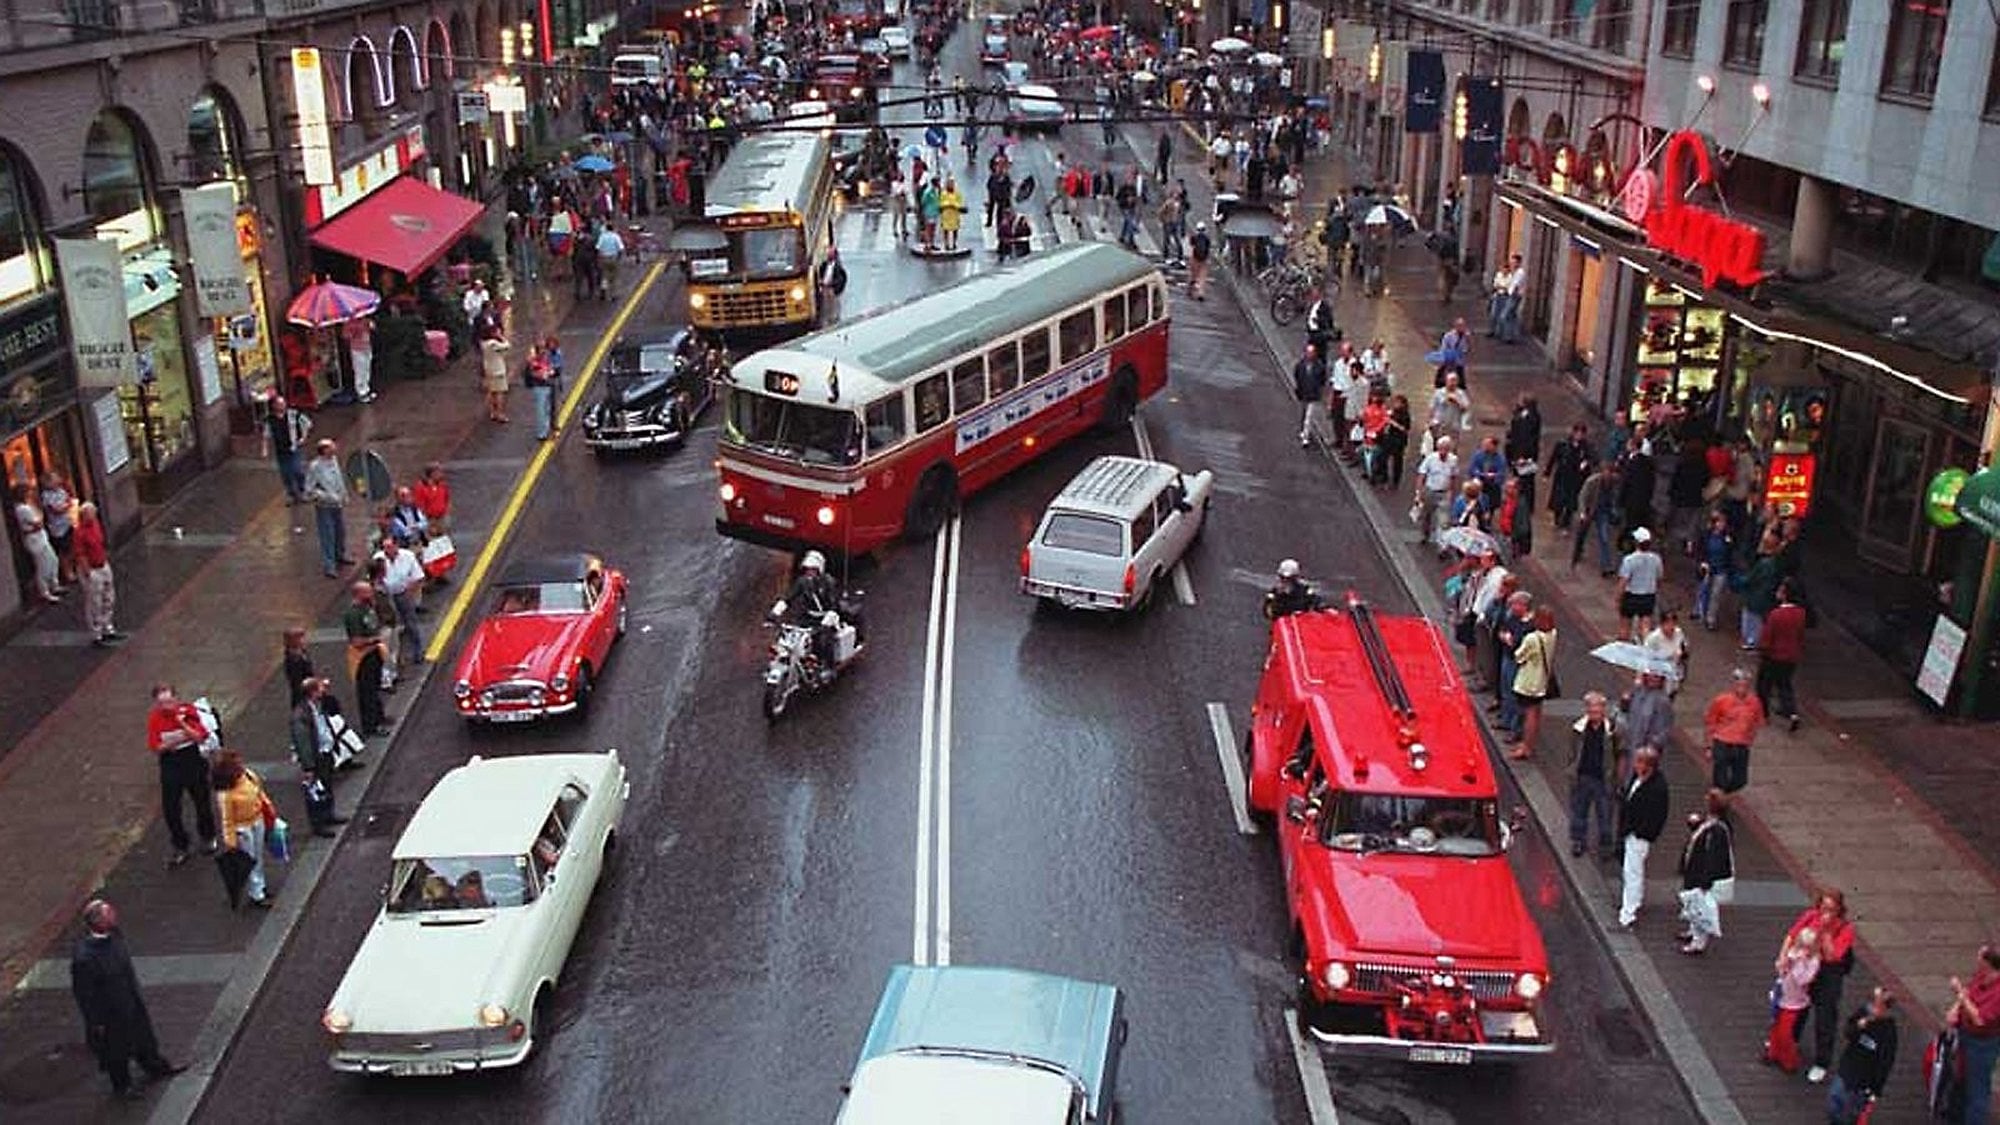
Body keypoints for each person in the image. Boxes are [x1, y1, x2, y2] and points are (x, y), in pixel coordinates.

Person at [70, 900, 185, 1100]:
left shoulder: (114, 935)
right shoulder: (84, 958)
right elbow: (85, 994)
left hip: (130, 1000)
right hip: (110, 1014)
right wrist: (96, 1022)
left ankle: (155, 1067)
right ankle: (122, 1086)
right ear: (98, 922)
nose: (115, 916)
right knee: (117, 1051)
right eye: (109, 914)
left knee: (144, 1039)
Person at [1780, 888, 1860, 1084]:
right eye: (1824, 907)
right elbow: (1792, 935)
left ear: (1839, 910)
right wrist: (1783, 957)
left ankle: (1822, 1062)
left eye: (1831, 909)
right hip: (1805, 967)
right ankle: (1790, 1041)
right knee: (1797, 1007)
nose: (1826, 913)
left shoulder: (1846, 929)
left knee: (1825, 1018)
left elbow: (1833, 956)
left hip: (1827, 973)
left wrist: (1825, 932)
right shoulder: (1810, 916)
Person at [147, 684, 216, 866]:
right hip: (171, 763)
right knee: (171, 808)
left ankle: (208, 836)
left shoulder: (188, 712)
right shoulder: (154, 719)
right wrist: (178, 740)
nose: (166, 707)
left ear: (176, 699)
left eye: (169, 702)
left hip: (192, 760)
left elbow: (199, 736)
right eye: (162, 703)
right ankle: (180, 844)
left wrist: (181, 725)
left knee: (202, 801)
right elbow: (155, 747)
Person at [1826, 987, 1899, 1125]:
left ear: (1885, 1009)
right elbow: (1847, 1032)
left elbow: (1885, 1063)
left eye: (1876, 1004)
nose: (1870, 1007)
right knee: (1834, 1101)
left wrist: (1875, 1090)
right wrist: (1858, 1027)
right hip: (1847, 1069)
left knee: (1849, 1112)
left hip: (1863, 1081)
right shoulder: (1863, 1013)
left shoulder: (1888, 1033)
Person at [212, 751, 274, 909]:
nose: (241, 765)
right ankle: (256, 893)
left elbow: (259, 793)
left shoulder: (248, 775)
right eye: (236, 764)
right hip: (242, 828)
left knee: (258, 856)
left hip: (257, 820)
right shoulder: (225, 793)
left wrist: (269, 810)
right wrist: (230, 842)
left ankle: (260, 886)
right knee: (250, 859)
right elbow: (227, 819)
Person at [1946, 945, 2000, 1125]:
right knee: (1960, 1078)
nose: (1976, 959)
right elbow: (1969, 992)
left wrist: (1959, 993)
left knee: (1978, 1089)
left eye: (1980, 956)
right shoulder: (1981, 975)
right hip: (1965, 1034)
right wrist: (1955, 1009)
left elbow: (1980, 1019)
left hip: (1982, 1045)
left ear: (1987, 963)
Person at [1616, 745, 1669, 927]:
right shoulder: (1638, 778)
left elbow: (1658, 815)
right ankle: (1635, 901)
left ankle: (1628, 912)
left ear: (1649, 765)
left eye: (1639, 762)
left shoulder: (1657, 788)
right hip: (1631, 831)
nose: (1635, 765)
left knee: (1632, 872)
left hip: (1639, 836)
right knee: (1632, 870)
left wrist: (1641, 832)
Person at [1677, 788, 1735, 954]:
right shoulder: (1711, 823)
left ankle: (1698, 942)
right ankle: (1692, 931)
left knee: (1700, 908)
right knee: (1693, 904)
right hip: (1695, 871)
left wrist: (1706, 880)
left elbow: (1713, 857)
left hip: (1701, 874)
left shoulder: (1717, 830)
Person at [1566, 691, 1621, 856]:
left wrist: (1616, 777)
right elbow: (1572, 752)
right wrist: (1571, 770)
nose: (1594, 712)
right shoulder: (1578, 729)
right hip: (1582, 776)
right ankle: (1578, 841)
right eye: (1591, 708)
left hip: (1603, 779)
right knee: (1579, 812)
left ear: (1603, 709)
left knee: (1605, 815)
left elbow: (1619, 753)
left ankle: (1605, 845)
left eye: (1597, 708)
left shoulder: (1613, 731)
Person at [776, 550, 847, 678]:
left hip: (826, 617)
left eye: (813, 569)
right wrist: (776, 612)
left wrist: (827, 620)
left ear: (819, 569)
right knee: (791, 635)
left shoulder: (829, 582)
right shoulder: (802, 582)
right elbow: (789, 597)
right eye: (807, 569)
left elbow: (834, 604)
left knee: (825, 639)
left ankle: (829, 667)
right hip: (808, 616)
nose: (809, 572)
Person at [1767, 926, 1824, 1073]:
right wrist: (1784, 962)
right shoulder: (1793, 952)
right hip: (1781, 996)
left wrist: (1799, 963)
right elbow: (1780, 968)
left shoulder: (1813, 962)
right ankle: (1773, 1054)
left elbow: (1802, 980)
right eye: (1802, 945)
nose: (1803, 949)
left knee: (1785, 1033)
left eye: (1807, 947)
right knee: (1775, 1027)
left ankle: (1789, 1061)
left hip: (1794, 1002)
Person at [1704, 668, 1765, 792]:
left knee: (1740, 780)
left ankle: (1725, 795)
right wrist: (1709, 747)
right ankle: (1718, 797)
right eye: (1739, 684)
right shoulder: (1721, 700)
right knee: (1720, 779)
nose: (1742, 688)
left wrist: (1750, 738)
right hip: (1722, 743)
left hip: (1741, 745)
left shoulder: (1755, 702)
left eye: (1745, 684)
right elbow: (1711, 723)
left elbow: (1757, 722)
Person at [70, 501, 122, 646]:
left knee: (108, 597)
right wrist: (87, 572)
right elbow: (80, 553)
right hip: (92, 569)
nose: (94, 515)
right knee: (94, 601)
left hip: (102, 564)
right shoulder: (79, 532)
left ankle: (108, 627)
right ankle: (96, 633)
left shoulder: (95, 524)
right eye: (91, 513)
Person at [1759, 580, 1807, 732]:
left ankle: (1764, 714)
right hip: (1791, 656)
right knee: (1785, 685)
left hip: (1773, 655)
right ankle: (1792, 713)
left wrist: (1763, 650)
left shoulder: (1776, 614)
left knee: (1764, 686)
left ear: (1785, 594)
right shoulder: (1801, 613)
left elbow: (1768, 636)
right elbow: (1800, 635)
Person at [343, 581, 391, 736]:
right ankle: (371, 726)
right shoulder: (353, 615)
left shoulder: (368, 607)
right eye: (368, 592)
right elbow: (356, 642)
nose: (371, 594)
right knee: (367, 692)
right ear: (359, 594)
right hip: (363, 657)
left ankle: (379, 717)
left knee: (375, 688)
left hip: (374, 652)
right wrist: (375, 639)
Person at [1510, 606, 1557, 760]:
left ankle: (1526, 746)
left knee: (1529, 714)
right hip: (1542, 680)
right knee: (1537, 712)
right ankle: (1530, 744)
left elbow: (1519, 656)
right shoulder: (1553, 634)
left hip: (1529, 681)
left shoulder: (1532, 638)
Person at [302, 438, 351, 579]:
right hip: (324, 507)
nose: (334, 448)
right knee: (327, 535)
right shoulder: (315, 467)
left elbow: (339, 479)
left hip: (337, 505)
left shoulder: (334, 461)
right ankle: (329, 565)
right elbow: (309, 490)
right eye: (330, 446)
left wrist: (344, 494)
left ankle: (340, 555)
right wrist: (327, 496)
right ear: (324, 450)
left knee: (340, 532)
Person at [377, 538, 427, 669]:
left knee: (411, 623)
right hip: (386, 596)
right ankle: (396, 660)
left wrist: (410, 592)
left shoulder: (408, 556)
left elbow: (418, 577)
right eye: (385, 548)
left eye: (390, 547)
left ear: (396, 546)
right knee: (391, 629)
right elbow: (374, 578)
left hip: (404, 593)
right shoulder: (378, 559)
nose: (387, 551)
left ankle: (418, 651)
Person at [12, 483, 62, 603]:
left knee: (53, 560)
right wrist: (38, 522)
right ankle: (45, 592)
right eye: (28, 492)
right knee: (42, 566)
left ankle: (54, 585)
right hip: (35, 541)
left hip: (41, 538)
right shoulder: (22, 509)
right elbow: (38, 522)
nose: (31, 494)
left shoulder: (28, 506)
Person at [1572, 461, 1621, 576]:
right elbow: (1582, 497)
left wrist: (1613, 510)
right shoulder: (1592, 481)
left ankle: (1606, 566)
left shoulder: (1614, 482)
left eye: (1611, 473)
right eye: (1607, 473)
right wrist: (1583, 512)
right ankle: (1577, 554)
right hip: (1590, 510)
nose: (1609, 476)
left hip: (1602, 512)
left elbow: (1614, 497)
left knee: (1604, 537)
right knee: (1581, 534)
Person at [1616, 527, 1664, 641]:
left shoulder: (1629, 560)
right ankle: (1645, 646)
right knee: (1645, 626)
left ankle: (1623, 646)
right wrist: (1655, 589)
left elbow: (1623, 581)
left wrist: (1618, 598)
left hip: (1631, 596)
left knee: (1625, 626)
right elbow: (1659, 578)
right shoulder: (1656, 559)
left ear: (1636, 542)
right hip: (1648, 596)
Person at [1545, 422, 1595, 530]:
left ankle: (1566, 524)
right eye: (1577, 433)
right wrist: (1547, 472)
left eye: (1581, 434)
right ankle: (1557, 519)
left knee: (1570, 502)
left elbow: (1592, 459)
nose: (1579, 436)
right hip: (1562, 476)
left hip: (1576, 478)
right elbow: (1553, 458)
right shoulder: (1562, 444)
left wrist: (1586, 464)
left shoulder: (1586, 447)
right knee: (1559, 500)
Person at [1694, 510, 1735, 631]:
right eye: (1719, 522)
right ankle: (1700, 612)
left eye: (1723, 522)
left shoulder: (1727, 537)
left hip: (1721, 569)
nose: (1721, 525)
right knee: (1703, 590)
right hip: (1707, 567)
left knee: (1716, 595)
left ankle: (1710, 619)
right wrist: (1702, 562)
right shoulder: (1706, 535)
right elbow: (1700, 549)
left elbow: (1731, 553)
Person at [1414, 435, 1459, 544]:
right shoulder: (1430, 458)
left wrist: (1451, 491)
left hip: (1444, 493)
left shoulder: (1453, 460)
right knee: (1426, 516)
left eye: (1446, 449)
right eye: (1441, 449)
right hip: (1430, 491)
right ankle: (1425, 534)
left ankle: (1442, 543)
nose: (1443, 452)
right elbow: (1422, 475)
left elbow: (1453, 476)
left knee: (1443, 521)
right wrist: (1419, 492)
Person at [1622, 667, 1676, 759]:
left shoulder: (1663, 701)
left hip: (1645, 752)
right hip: (1630, 744)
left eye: (1656, 676)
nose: (1652, 678)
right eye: (1650, 674)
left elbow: (1664, 730)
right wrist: (1625, 702)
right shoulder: (1637, 692)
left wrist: (1651, 747)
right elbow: (1626, 714)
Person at [265, 395, 310, 503]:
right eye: (279, 404)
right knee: (286, 473)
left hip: (294, 447)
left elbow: (307, 423)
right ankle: (291, 494)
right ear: (274, 405)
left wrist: (303, 437)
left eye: (283, 403)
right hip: (280, 450)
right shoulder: (270, 419)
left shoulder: (293, 414)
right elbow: (266, 434)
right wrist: (265, 448)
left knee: (297, 470)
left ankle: (303, 490)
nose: (282, 405)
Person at [1643, 612, 1690, 695]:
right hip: (1658, 674)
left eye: (1673, 624)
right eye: (1668, 624)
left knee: (1672, 693)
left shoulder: (1678, 633)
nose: (1671, 627)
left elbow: (1683, 648)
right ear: (1662, 624)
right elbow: (1647, 657)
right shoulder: (1653, 638)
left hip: (1674, 671)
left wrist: (1682, 653)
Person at [1292, 343, 1328, 449]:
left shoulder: (1319, 366)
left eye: (1311, 353)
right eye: (1308, 352)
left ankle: (1306, 437)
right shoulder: (1300, 365)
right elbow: (1297, 376)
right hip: (1303, 394)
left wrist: (1319, 391)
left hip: (1313, 395)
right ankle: (1304, 430)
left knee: (1309, 416)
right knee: (1304, 413)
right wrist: (1299, 389)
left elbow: (1322, 380)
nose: (1309, 355)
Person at [1489, 252, 1525, 342]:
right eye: (1512, 262)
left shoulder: (1520, 273)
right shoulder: (1514, 272)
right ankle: (1511, 335)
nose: (1512, 264)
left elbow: (1515, 285)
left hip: (1514, 296)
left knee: (1505, 316)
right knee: (1511, 316)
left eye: (1514, 262)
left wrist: (1509, 291)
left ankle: (1509, 336)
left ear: (1518, 263)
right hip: (1510, 295)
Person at [525, 344, 558, 441]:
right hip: (540, 388)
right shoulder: (534, 363)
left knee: (546, 409)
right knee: (541, 410)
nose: (545, 353)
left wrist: (550, 371)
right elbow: (534, 374)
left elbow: (551, 369)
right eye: (542, 351)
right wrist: (544, 374)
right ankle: (542, 433)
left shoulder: (545, 360)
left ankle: (546, 430)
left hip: (547, 386)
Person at [480, 331, 512, 423]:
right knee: (499, 393)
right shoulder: (493, 344)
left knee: (492, 392)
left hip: (489, 370)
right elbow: (507, 346)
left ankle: (493, 412)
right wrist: (502, 337)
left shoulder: (483, 343)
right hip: (498, 371)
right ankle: (500, 413)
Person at [412, 462, 451, 536]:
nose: (441, 474)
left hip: (442, 518)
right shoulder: (421, 487)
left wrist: (446, 512)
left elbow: (447, 499)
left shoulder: (442, 485)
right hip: (429, 519)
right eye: (439, 472)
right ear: (432, 474)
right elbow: (419, 505)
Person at [1427, 371, 1470, 437]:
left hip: (1454, 427)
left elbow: (1466, 409)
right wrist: (1429, 421)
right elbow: (1432, 407)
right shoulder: (1439, 392)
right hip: (1439, 425)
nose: (1452, 383)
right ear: (1446, 381)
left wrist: (1457, 402)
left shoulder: (1461, 394)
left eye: (1454, 381)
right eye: (1451, 380)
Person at [344, 315, 376, 403]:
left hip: (367, 347)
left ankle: (367, 389)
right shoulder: (349, 322)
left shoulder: (365, 320)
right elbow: (346, 335)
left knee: (366, 369)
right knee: (359, 371)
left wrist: (370, 325)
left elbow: (373, 327)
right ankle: (361, 393)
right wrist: (354, 331)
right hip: (357, 349)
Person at [939, 177, 965, 252]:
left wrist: (954, 205)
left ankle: (954, 243)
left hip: (955, 215)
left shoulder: (957, 193)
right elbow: (941, 203)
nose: (950, 185)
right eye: (949, 184)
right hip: (946, 215)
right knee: (945, 229)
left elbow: (960, 203)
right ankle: (946, 243)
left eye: (952, 184)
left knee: (955, 229)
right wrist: (947, 204)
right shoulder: (943, 193)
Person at [1188, 221, 1212, 300]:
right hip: (1204, 259)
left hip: (1195, 258)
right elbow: (1208, 248)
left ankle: (1190, 290)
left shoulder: (1194, 237)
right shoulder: (1207, 238)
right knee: (1202, 277)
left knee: (1193, 275)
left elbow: (1191, 246)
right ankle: (1200, 293)